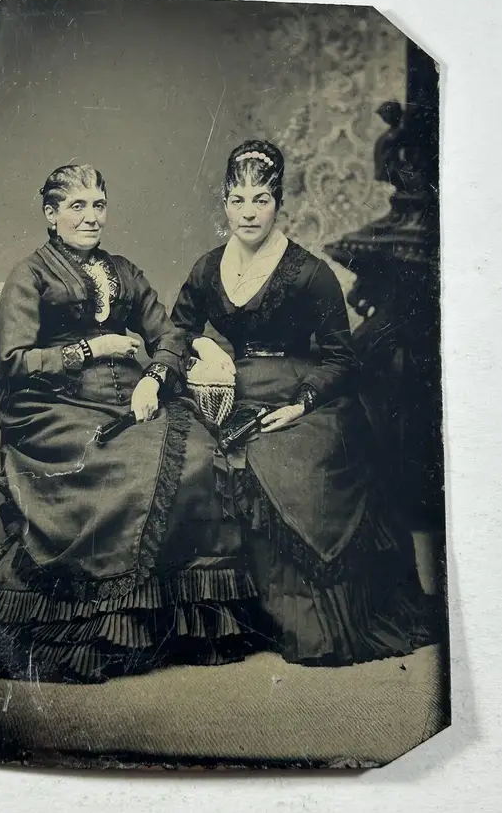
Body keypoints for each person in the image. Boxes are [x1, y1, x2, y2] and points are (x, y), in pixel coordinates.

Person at [0, 164, 258, 685]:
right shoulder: (30, 274)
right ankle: (108, 630)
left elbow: (168, 331)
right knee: (133, 469)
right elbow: (13, 361)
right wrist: (90, 348)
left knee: (197, 456)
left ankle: (173, 627)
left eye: (98, 205)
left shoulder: (122, 269)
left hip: (129, 401)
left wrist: (154, 378)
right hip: (53, 411)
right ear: (52, 216)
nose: (91, 217)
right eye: (77, 207)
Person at [171, 140, 436, 666]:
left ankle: (294, 622)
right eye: (239, 199)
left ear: (279, 202)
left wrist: (302, 403)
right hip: (232, 388)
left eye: (262, 199)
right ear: (224, 201)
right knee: (184, 454)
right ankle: (224, 623)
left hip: (303, 394)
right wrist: (198, 348)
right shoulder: (208, 268)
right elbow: (178, 327)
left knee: (278, 463)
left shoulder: (310, 273)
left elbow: (342, 360)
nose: (249, 211)